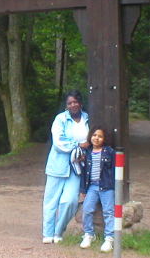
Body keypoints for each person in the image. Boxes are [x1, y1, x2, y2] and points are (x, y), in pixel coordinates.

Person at [42, 90, 89, 244]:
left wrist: (84, 151)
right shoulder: (60, 119)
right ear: (66, 105)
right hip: (58, 165)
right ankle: (47, 233)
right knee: (51, 201)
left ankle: (58, 231)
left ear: (80, 103)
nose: (73, 105)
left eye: (75, 102)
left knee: (69, 201)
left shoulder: (87, 118)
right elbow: (58, 142)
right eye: (69, 103)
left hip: (77, 168)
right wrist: (78, 145)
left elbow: (92, 140)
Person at [79, 126, 115, 253]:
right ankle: (89, 234)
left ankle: (110, 238)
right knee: (87, 209)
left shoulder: (109, 152)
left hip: (106, 186)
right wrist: (83, 189)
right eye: (94, 135)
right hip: (92, 187)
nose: (96, 138)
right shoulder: (86, 152)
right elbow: (83, 172)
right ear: (90, 136)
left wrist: (115, 187)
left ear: (104, 139)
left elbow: (115, 170)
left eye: (100, 136)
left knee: (109, 212)